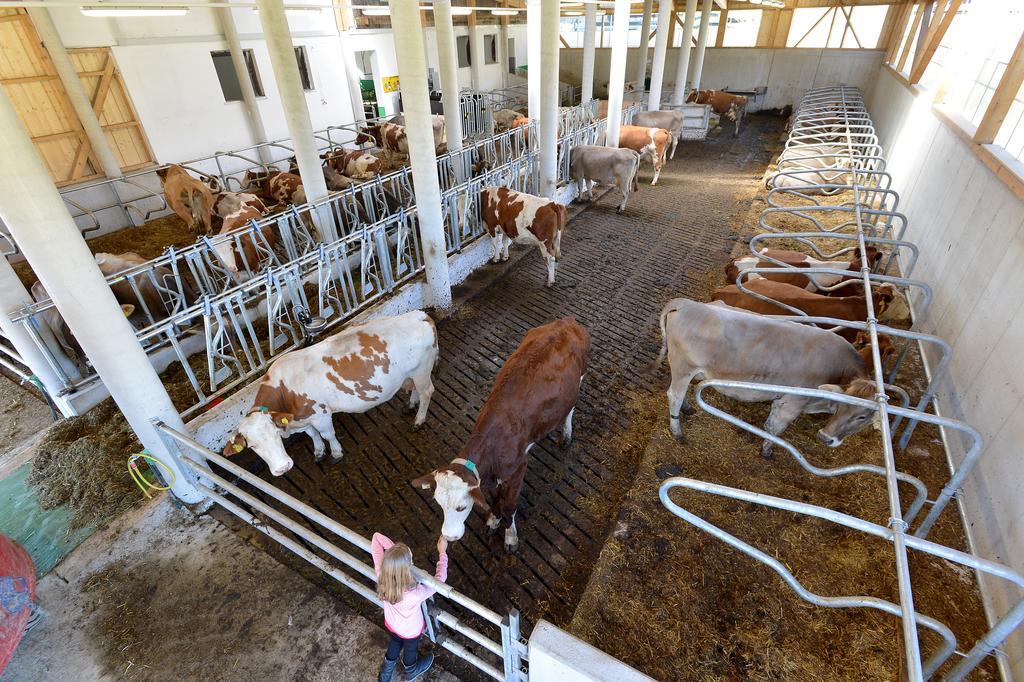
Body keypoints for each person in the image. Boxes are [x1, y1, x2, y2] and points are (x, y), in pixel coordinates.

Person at [372, 532, 449, 682]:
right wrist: (442, 552)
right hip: (411, 630)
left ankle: (385, 675)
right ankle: (411, 670)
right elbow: (440, 580)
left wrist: (396, 554)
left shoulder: (381, 575)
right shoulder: (415, 593)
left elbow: (376, 538)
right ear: (407, 567)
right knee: (410, 648)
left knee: (395, 640)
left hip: (393, 623)